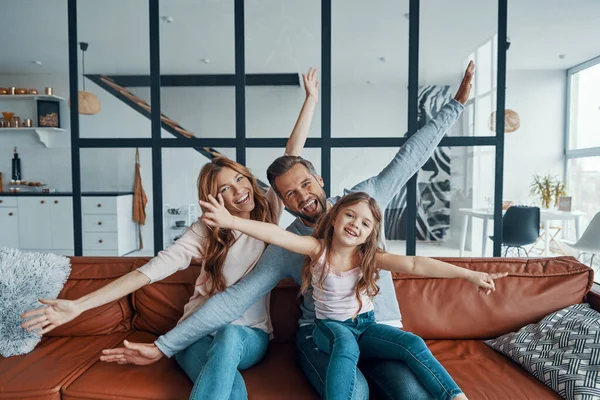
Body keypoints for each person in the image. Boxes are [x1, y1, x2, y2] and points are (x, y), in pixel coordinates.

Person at [100, 61, 476, 399]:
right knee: (354, 391)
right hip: (322, 336)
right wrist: (164, 345)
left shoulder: (364, 200)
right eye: (291, 195)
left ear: (320, 179)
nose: (303, 197)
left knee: (412, 393)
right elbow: (234, 299)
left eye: (306, 185)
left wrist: (455, 105)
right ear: (282, 202)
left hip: (379, 328)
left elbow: (411, 156)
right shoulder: (291, 245)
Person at [20, 68, 320, 400]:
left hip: (248, 336)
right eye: (225, 188)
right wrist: (78, 306)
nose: (238, 191)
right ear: (213, 198)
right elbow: (144, 275)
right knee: (226, 386)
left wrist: (310, 100)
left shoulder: (267, 213)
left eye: (239, 179)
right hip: (193, 336)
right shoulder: (203, 233)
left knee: (230, 338)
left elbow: (291, 157)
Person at [199, 190, 507, 400]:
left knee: (411, 342)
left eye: (364, 223)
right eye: (349, 216)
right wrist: (230, 221)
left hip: (367, 324)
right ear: (333, 219)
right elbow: (276, 234)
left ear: (370, 233)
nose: (355, 225)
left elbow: (416, 263)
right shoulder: (317, 250)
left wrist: (470, 275)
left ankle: (454, 395)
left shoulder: (369, 258)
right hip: (329, 329)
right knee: (345, 345)